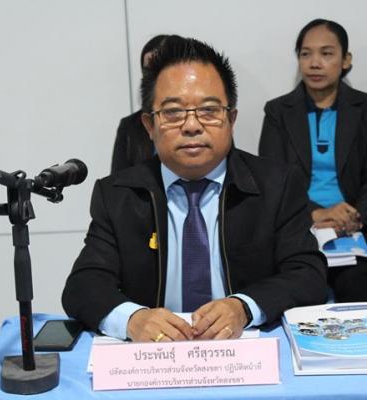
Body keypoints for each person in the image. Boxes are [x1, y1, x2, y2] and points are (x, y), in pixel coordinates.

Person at [63, 35, 327, 342]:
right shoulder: (118, 194)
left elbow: (307, 274)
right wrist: (133, 319)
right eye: (173, 112)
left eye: (209, 110)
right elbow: (84, 285)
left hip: (245, 350)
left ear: (231, 119)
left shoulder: (276, 184)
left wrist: (244, 307)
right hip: (154, 356)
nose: (191, 126)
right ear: (149, 126)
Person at [259, 19, 367, 302]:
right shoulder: (278, 112)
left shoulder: (363, 108)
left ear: (346, 60)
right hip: (298, 225)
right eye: (306, 54)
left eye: (326, 53)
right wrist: (315, 213)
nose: (314, 63)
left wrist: (354, 217)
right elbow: (271, 178)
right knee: (297, 286)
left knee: (357, 285)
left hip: (353, 228)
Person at [111, 34, 169, 173]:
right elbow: (117, 182)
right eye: (149, 70)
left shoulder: (205, 119)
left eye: (162, 67)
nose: (155, 76)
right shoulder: (130, 127)